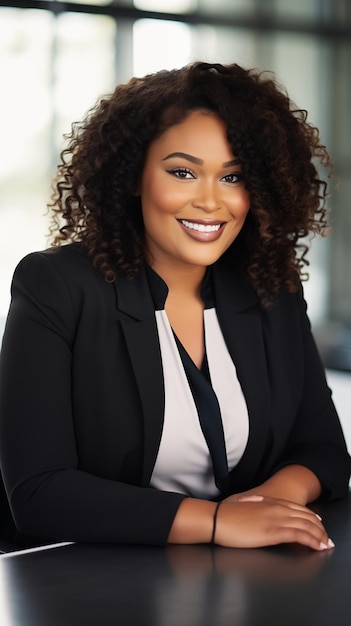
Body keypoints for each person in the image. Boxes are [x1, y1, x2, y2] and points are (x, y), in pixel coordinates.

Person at [0, 61, 350, 552]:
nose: (211, 202)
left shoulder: (269, 287)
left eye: (233, 177)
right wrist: (216, 523)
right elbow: (39, 492)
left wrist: (267, 505)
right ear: (134, 175)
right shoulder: (55, 285)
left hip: (247, 579)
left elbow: (324, 450)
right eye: (183, 172)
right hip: (91, 584)